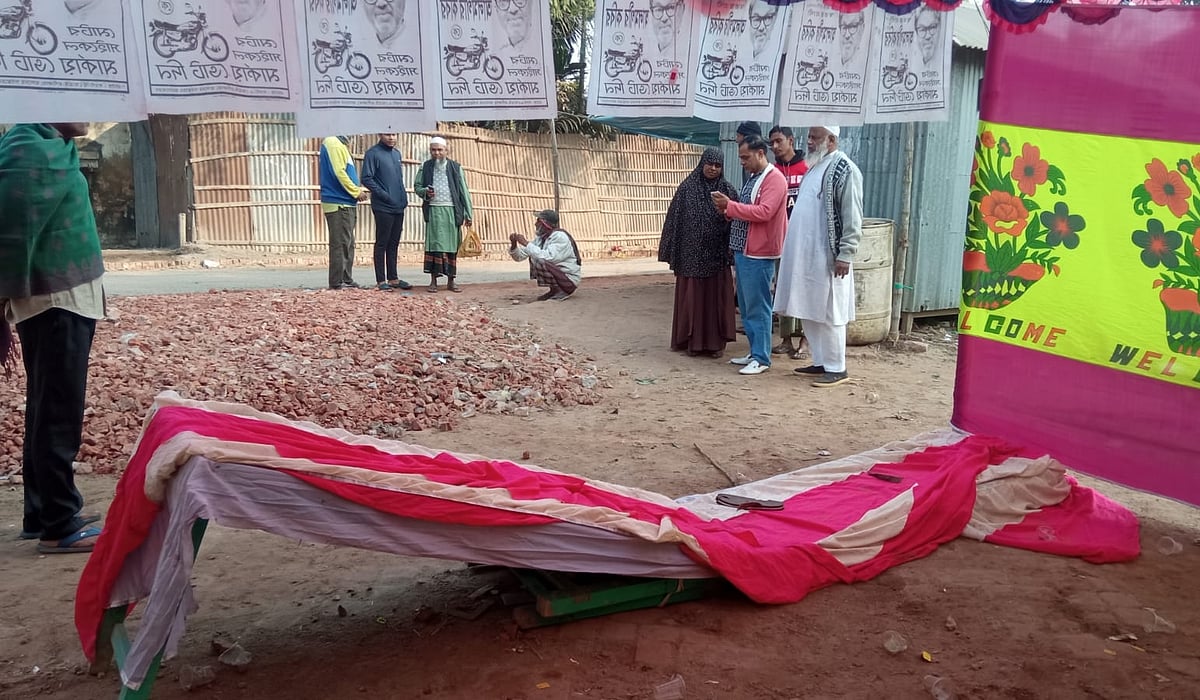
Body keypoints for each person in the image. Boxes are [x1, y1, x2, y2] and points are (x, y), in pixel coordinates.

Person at [0, 122, 105, 554]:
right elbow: (13, 218)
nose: (90, 117)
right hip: (54, 297)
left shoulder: (46, 143)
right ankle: (59, 524)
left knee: (47, 405)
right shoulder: (27, 148)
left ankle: (41, 511)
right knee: (59, 411)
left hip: (63, 294)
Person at [775, 126, 863, 387]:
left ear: (832, 140)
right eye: (809, 137)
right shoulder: (815, 166)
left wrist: (845, 253)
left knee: (831, 311)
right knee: (809, 307)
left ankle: (837, 368)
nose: (809, 142)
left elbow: (852, 216)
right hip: (806, 255)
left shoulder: (844, 170)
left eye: (815, 138)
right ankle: (822, 362)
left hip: (829, 256)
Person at [710, 135, 788, 376]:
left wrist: (730, 207)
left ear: (760, 153)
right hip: (744, 250)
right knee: (746, 306)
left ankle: (762, 357)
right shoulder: (754, 178)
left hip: (759, 252)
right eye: (740, 157)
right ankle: (755, 351)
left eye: (746, 157)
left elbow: (764, 212)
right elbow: (749, 209)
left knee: (758, 306)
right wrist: (729, 210)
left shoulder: (774, 179)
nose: (742, 162)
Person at [659, 147, 738, 357]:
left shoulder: (727, 191)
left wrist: (732, 252)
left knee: (715, 301)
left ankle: (714, 345)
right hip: (690, 257)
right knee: (693, 300)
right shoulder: (686, 189)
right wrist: (672, 251)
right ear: (702, 163)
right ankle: (692, 342)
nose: (713, 168)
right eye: (710, 163)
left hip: (717, 256)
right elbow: (673, 223)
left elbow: (737, 222)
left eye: (718, 165)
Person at [768, 125, 809, 361]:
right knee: (782, 289)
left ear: (791, 140)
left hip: (802, 238)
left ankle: (805, 340)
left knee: (804, 289)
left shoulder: (807, 168)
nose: (775, 146)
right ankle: (785, 340)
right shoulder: (772, 171)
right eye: (771, 142)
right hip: (780, 240)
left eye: (779, 141)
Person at [413, 136, 472, 293]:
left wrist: (468, 213)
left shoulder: (455, 168)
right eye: (433, 150)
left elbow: (464, 192)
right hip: (434, 211)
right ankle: (433, 281)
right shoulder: (425, 167)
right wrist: (425, 192)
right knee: (435, 246)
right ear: (430, 151)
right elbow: (417, 186)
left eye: (440, 149)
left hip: (452, 211)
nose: (437, 153)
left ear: (446, 150)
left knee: (452, 247)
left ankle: (451, 281)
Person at [361, 133, 413, 292]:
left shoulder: (396, 154)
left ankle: (393, 278)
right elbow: (367, 178)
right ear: (380, 135)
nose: (391, 137)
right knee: (382, 242)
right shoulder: (373, 153)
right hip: (383, 206)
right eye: (387, 134)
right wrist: (384, 195)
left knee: (394, 242)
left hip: (399, 205)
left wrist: (403, 197)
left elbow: (398, 178)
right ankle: (380, 280)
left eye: (394, 134)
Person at [319, 134, 368, 290]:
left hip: (345, 202)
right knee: (340, 243)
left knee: (348, 243)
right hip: (338, 201)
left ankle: (346, 278)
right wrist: (355, 191)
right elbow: (339, 172)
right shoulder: (333, 142)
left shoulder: (341, 145)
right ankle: (336, 282)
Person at [509, 210, 582, 301]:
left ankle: (562, 290)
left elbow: (548, 258)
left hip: (569, 280)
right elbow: (519, 257)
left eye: (538, 221)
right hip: (561, 276)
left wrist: (526, 243)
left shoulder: (560, 237)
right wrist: (514, 244)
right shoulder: (541, 238)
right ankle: (555, 290)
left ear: (545, 223)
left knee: (539, 260)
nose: (535, 224)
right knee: (535, 256)